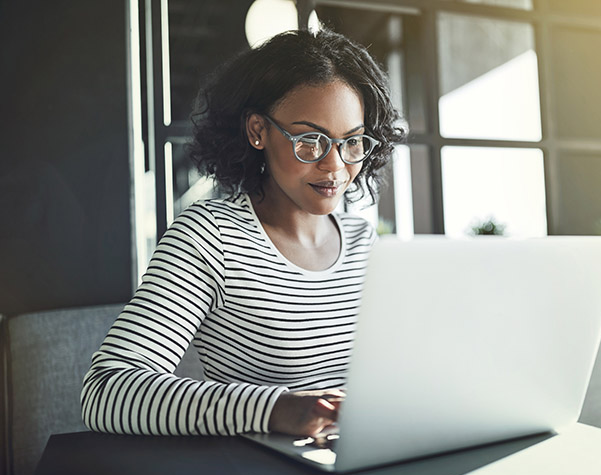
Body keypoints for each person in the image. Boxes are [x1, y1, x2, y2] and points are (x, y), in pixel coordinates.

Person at [81, 29, 405, 438]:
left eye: (352, 142)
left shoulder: (364, 242)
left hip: (366, 459)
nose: (335, 166)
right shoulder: (208, 237)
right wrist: (275, 410)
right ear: (258, 131)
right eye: (310, 141)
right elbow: (106, 391)